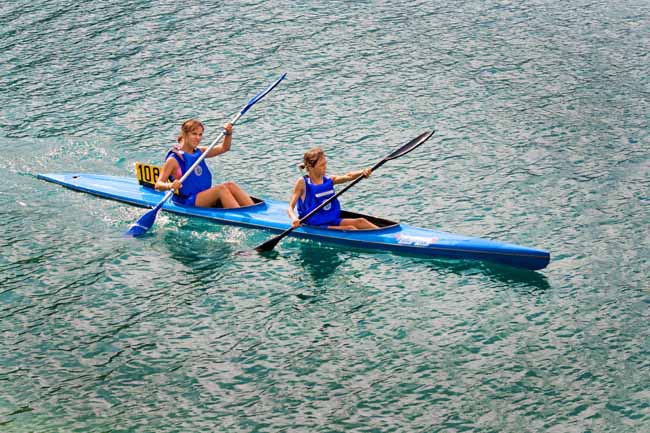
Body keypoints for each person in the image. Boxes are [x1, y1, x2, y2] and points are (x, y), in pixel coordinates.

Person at [155, 119, 254, 208]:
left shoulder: (200, 152)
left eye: (200, 134)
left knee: (230, 185)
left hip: (202, 195)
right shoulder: (174, 160)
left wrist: (228, 134)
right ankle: (240, 217)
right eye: (194, 134)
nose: (198, 138)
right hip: (186, 200)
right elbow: (158, 185)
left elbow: (224, 148)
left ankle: (253, 211)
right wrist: (170, 185)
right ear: (184, 135)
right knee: (220, 189)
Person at [288, 147, 379, 230]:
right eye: (321, 165)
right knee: (350, 228)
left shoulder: (329, 180)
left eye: (325, 164)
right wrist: (294, 219)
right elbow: (290, 208)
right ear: (310, 167)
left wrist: (363, 172)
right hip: (315, 224)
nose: (325, 167)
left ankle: (388, 236)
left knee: (361, 221)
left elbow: (349, 176)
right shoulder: (302, 182)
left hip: (331, 219)